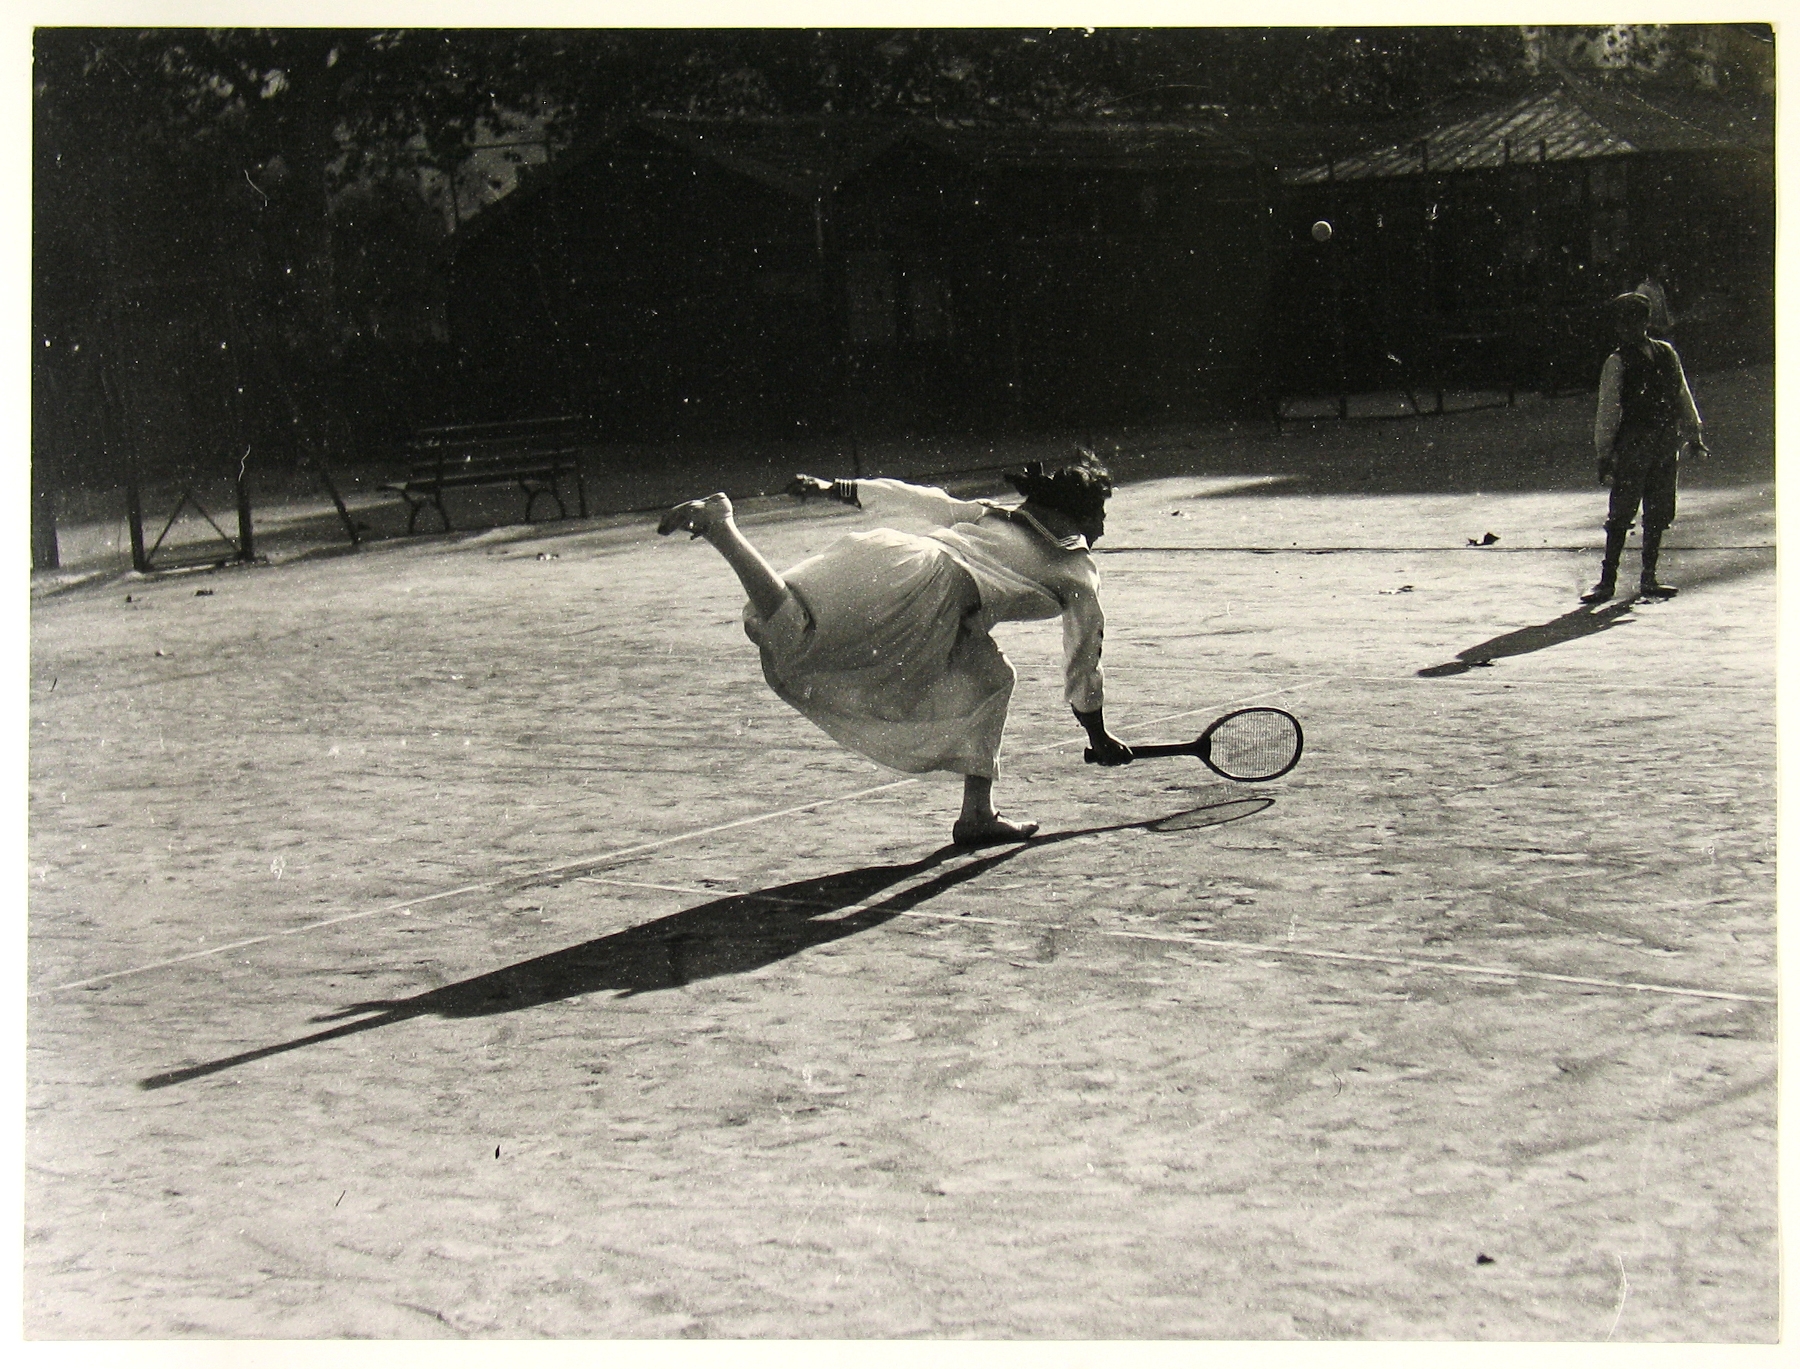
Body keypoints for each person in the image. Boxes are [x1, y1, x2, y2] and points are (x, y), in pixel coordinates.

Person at [656, 454, 1134, 847]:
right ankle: (722, 528)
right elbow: (1083, 654)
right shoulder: (1078, 571)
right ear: (1078, 512)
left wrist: (831, 487)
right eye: (1101, 515)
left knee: (992, 679)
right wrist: (1096, 732)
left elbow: (916, 498)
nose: (1104, 528)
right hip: (924, 592)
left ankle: (977, 816)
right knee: (793, 639)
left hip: (898, 557)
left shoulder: (993, 513)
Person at [1582, 291, 1706, 604]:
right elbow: (1608, 410)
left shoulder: (1667, 353)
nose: (1626, 328)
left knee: (1659, 508)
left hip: (1665, 441)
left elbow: (1681, 394)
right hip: (1634, 443)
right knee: (1621, 512)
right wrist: (1604, 452)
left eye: (1633, 320)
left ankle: (1648, 577)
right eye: (1621, 322)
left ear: (1645, 321)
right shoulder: (1617, 362)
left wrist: (1693, 433)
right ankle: (1607, 581)